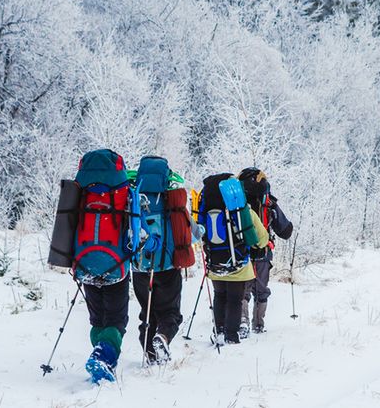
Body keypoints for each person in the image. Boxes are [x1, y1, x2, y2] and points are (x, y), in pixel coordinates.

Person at [70, 149, 161, 383]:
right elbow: (139, 234)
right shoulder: (125, 194)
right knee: (116, 320)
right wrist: (153, 242)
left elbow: (66, 229)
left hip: (85, 265)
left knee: (97, 318)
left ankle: (100, 351)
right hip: (116, 267)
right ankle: (104, 357)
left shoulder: (78, 195)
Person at [129, 156, 195, 365]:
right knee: (170, 313)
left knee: (146, 314)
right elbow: (191, 233)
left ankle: (150, 356)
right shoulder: (171, 200)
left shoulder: (132, 196)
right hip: (167, 267)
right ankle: (163, 337)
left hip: (139, 268)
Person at [197, 173, 269, 345]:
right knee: (235, 300)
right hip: (239, 264)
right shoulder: (241, 210)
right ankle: (231, 335)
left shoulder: (206, 211)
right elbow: (262, 238)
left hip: (214, 263)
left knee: (219, 295)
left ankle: (219, 331)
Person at [238, 168, 293, 337]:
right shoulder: (269, 202)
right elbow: (286, 231)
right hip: (263, 252)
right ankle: (258, 325)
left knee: (242, 289)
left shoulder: (237, 201)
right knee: (261, 291)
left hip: (242, 252)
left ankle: (242, 322)